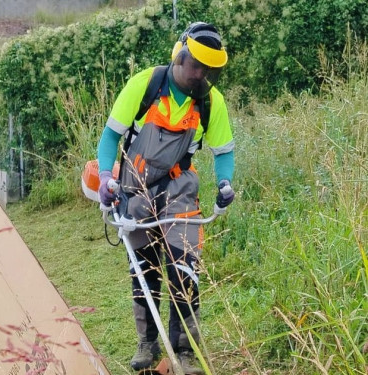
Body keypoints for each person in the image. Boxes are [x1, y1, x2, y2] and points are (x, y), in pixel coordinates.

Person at [97, 22, 235, 374]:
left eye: (209, 70)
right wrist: (105, 178)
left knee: (184, 266)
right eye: (196, 66)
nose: (200, 75)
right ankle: (147, 343)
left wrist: (224, 183)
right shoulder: (144, 85)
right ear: (181, 56)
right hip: (135, 185)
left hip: (179, 186)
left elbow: (223, 152)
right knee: (143, 267)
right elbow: (110, 138)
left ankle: (185, 351)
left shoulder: (209, 101)